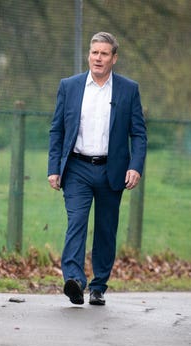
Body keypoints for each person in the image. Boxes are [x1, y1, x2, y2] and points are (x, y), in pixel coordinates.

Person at [47, 31, 147, 306]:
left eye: (104, 54)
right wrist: (53, 168)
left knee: (105, 229)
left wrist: (135, 167)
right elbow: (57, 129)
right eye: (94, 53)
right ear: (88, 55)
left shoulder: (128, 90)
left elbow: (138, 133)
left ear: (114, 58)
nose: (98, 58)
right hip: (77, 167)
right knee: (76, 222)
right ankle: (75, 280)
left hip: (111, 170)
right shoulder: (69, 86)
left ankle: (99, 285)